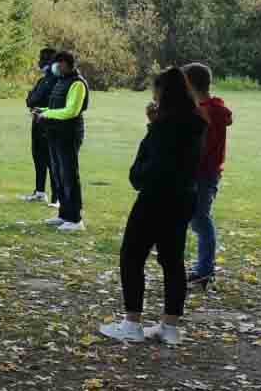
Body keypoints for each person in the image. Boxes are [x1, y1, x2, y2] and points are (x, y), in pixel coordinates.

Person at [99, 67, 206, 345]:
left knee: (132, 256)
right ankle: (170, 326)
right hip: (184, 197)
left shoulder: (164, 128)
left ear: (163, 94)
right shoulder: (197, 123)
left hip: (155, 198)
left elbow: (151, 163)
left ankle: (132, 323)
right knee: (173, 260)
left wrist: (138, 174)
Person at [183, 63, 232, 285]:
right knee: (197, 219)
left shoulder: (203, 111)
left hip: (201, 173)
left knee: (201, 220)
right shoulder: (214, 108)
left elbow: (198, 144)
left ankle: (204, 270)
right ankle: (203, 268)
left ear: (189, 84)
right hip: (207, 172)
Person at [34, 51, 90, 232]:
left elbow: (71, 111)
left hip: (69, 134)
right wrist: (41, 110)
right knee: (58, 174)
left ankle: (75, 219)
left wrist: (46, 114)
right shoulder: (61, 81)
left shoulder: (78, 84)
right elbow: (56, 107)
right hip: (55, 133)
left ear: (66, 64)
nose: (54, 67)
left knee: (69, 175)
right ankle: (64, 215)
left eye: (57, 63)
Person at [21, 48, 60, 205]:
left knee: (51, 161)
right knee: (38, 158)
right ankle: (40, 191)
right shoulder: (43, 80)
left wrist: (34, 99)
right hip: (37, 123)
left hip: (49, 125)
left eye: (43, 59)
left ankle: (56, 197)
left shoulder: (55, 81)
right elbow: (30, 100)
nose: (40, 62)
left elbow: (36, 98)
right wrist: (33, 98)